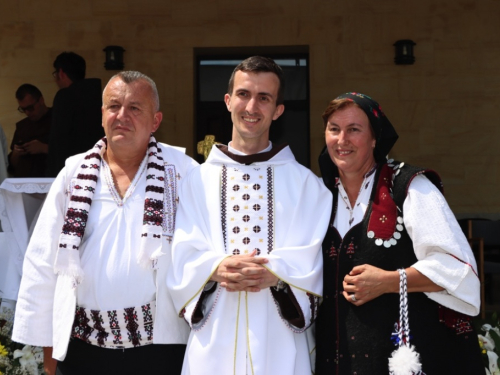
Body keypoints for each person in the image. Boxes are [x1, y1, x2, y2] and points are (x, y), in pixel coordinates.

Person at [12, 71, 199, 375]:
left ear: (156, 120)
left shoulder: (183, 173)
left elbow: (202, 255)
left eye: (135, 108)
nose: (122, 116)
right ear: (102, 115)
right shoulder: (73, 173)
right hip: (83, 350)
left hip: (161, 350)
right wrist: (50, 349)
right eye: (114, 106)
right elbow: (42, 262)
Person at [167, 56, 332, 375]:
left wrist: (278, 273)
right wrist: (216, 267)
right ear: (228, 101)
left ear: (278, 110)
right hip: (214, 338)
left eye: (264, 98)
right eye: (243, 94)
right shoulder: (195, 181)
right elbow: (182, 255)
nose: (251, 107)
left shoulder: (307, 186)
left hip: (280, 339)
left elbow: (313, 260)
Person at [315, 92, 484, 374]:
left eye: (354, 129)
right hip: (336, 360)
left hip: (401, 360)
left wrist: (390, 280)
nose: (341, 140)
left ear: (374, 139)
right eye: (334, 129)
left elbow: (459, 271)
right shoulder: (319, 195)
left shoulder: (409, 188)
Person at [46, 51, 104, 177]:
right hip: (98, 166)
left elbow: (58, 139)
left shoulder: (65, 97)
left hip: (72, 169)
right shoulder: (99, 96)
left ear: (61, 73)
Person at [8, 84, 52, 177]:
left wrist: (44, 148)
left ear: (41, 100)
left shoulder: (59, 119)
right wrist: (16, 153)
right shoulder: (22, 126)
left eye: (30, 108)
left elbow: (73, 152)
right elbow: (12, 165)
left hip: (52, 180)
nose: (27, 113)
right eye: (23, 109)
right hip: (24, 183)